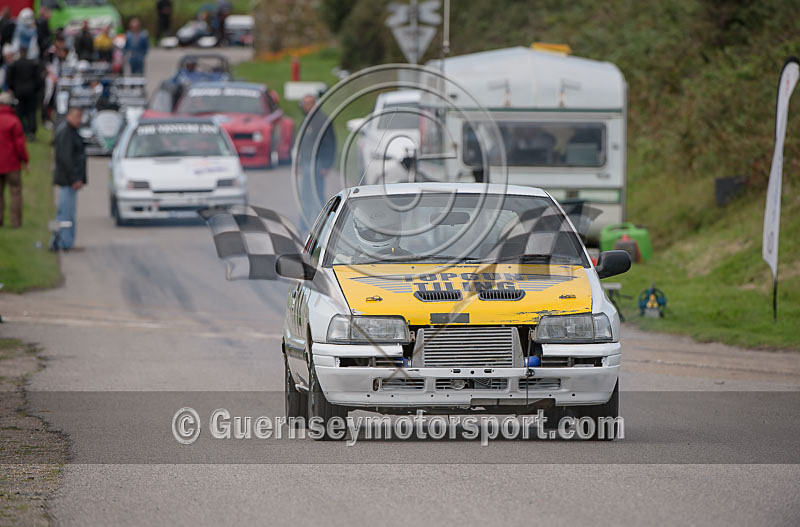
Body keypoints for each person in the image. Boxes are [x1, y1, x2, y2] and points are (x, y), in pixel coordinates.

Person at [298, 93, 336, 232]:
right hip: (307, 164)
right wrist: (299, 163)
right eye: (304, 103)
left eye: (309, 103)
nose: (306, 106)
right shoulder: (306, 120)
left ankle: (325, 226)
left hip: (318, 165)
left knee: (318, 196)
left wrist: (326, 165)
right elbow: (303, 144)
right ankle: (304, 225)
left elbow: (331, 144)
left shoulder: (323, 120)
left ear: (315, 104)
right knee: (305, 195)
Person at [50, 107, 86, 251]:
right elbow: (65, 159)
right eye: (77, 117)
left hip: (69, 180)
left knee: (68, 214)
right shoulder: (66, 132)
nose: (80, 120)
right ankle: (60, 243)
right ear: (69, 116)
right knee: (64, 214)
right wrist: (74, 179)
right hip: (67, 181)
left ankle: (67, 242)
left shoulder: (71, 131)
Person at [0, 91, 28, 228]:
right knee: (15, 192)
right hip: (11, 164)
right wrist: (25, 160)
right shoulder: (14, 121)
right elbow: (20, 145)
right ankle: (15, 222)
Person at [6, 46, 43, 139]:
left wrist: (12, 88)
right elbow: (38, 79)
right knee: (31, 112)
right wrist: (36, 89)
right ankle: (31, 132)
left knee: (19, 112)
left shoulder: (15, 64)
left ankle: (21, 130)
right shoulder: (33, 64)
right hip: (30, 92)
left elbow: (9, 78)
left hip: (19, 92)